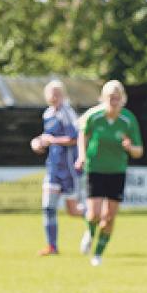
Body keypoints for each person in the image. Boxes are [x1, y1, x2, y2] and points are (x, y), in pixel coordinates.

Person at [74, 80, 143, 266]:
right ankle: (89, 232)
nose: (114, 100)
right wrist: (81, 156)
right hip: (95, 168)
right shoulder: (94, 117)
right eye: (110, 97)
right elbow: (82, 135)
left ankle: (97, 255)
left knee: (109, 217)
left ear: (123, 99)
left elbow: (139, 151)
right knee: (94, 214)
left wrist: (130, 147)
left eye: (117, 97)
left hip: (117, 171)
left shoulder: (128, 120)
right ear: (104, 98)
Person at [30, 80, 84, 255]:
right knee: (48, 207)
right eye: (51, 93)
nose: (54, 97)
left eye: (57, 93)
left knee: (73, 210)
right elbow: (48, 137)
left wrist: (51, 140)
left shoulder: (67, 113)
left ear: (63, 95)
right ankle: (52, 246)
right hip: (53, 166)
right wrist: (38, 142)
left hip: (68, 167)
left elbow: (75, 138)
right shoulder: (48, 114)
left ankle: (96, 217)